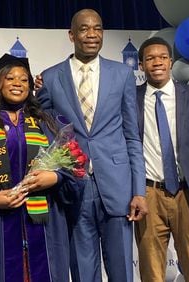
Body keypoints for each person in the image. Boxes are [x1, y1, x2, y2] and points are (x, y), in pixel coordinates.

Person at [36, 8, 147, 282]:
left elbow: (132, 136)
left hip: (118, 186)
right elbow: (43, 129)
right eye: (85, 29)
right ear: (71, 35)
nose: (92, 34)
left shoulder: (122, 74)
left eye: (97, 28)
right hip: (74, 186)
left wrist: (139, 191)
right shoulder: (50, 78)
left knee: (122, 269)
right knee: (83, 271)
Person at [0, 53, 83, 282]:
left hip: (45, 220)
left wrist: (55, 177)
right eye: (10, 78)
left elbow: (75, 166)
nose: (18, 83)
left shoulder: (49, 122)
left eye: (24, 79)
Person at [134, 36, 189, 281]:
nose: (157, 63)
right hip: (148, 193)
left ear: (171, 62)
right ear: (141, 65)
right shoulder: (130, 98)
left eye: (163, 57)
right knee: (151, 270)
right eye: (150, 58)